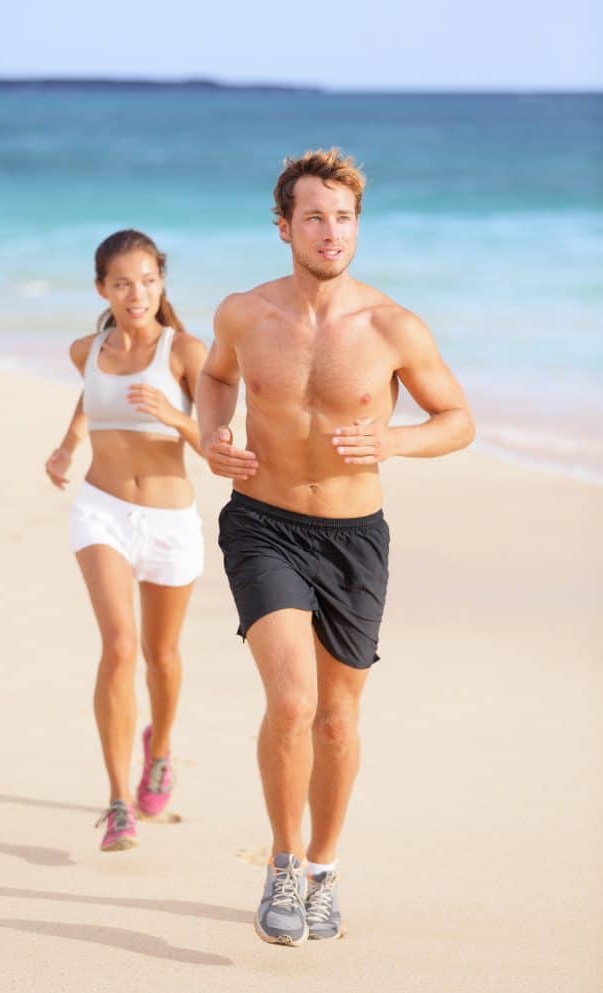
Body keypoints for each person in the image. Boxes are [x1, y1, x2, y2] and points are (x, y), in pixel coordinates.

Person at [197, 149, 475, 944]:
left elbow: (457, 421)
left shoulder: (392, 326)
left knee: (336, 722)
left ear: (358, 227)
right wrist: (213, 435)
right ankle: (282, 863)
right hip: (262, 523)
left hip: (354, 538)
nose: (331, 233)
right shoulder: (244, 314)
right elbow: (215, 378)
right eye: (314, 217)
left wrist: (393, 440)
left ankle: (322, 871)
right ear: (284, 226)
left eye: (344, 218)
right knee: (293, 702)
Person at [45, 229, 206, 852]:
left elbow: (222, 448)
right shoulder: (86, 349)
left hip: (170, 522)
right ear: (101, 289)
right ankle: (118, 803)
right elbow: (92, 398)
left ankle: (158, 748)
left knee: (162, 658)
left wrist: (176, 418)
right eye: (121, 283)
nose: (135, 293)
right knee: (120, 647)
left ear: (161, 282)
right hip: (101, 510)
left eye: (146, 280)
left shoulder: (187, 352)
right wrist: (67, 445)